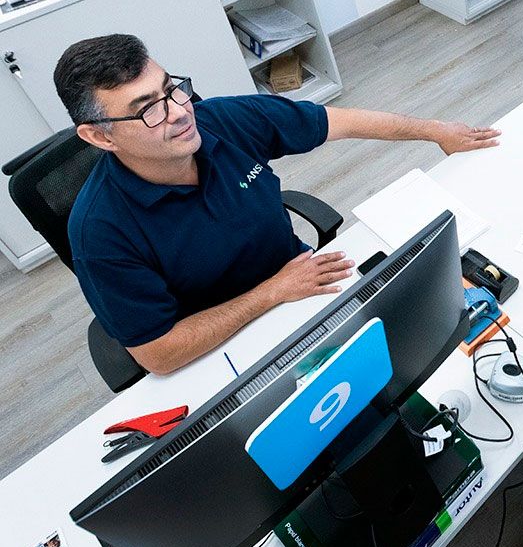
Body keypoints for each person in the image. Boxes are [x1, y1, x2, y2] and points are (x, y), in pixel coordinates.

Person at [56, 34, 500, 375]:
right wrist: (272, 292)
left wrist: (436, 131)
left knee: (425, 351)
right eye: (147, 109)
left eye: (173, 89)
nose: (178, 112)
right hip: (226, 343)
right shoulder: (99, 231)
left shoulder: (222, 121)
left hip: (306, 284)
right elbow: (158, 354)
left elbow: (337, 121)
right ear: (99, 136)